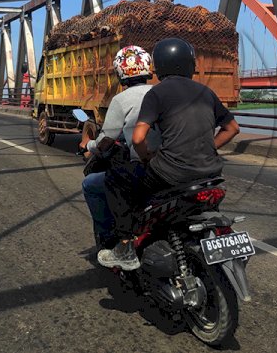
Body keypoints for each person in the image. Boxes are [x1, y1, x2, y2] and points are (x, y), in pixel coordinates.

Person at [98, 37, 240, 270]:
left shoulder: (157, 93)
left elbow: (138, 138)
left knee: (117, 179)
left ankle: (124, 246)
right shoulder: (206, 92)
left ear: (158, 66)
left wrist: (146, 157)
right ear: (190, 64)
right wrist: (209, 147)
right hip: (211, 173)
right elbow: (232, 128)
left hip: (172, 174)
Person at [79, 45, 154, 254]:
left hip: (143, 166)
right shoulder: (160, 92)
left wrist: (89, 145)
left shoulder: (121, 99)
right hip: (172, 163)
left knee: (91, 184)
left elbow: (106, 141)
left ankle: (111, 239)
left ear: (120, 71)